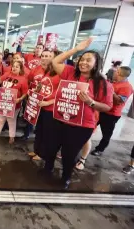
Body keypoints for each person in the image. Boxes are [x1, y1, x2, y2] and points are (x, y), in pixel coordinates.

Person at [45, 37, 113, 189]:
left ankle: (66, 177)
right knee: (50, 147)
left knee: (69, 154)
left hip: (82, 126)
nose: (83, 62)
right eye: (82, 59)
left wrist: (91, 102)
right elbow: (55, 62)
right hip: (60, 120)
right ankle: (47, 169)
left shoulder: (103, 84)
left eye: (88, 60)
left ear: (96, 64)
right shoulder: (70, 73)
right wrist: (76, 49)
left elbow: (108, 106)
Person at [90, 66, 133, 156]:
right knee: (89, 127)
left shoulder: (127, 87)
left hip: (111, 115)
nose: (114, 72)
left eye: (117, 71)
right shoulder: (113, 82)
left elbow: (119, 101)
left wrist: (110, 90)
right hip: (101, 109)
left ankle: (100, 149)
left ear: (120, 74)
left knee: (106, 134)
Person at [28, 50, 61, 161]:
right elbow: (41, 86)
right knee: (39, 130)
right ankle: (37, 150)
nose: (45, 58)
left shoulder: (61, 73)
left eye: (48, 56)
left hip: (50, 108)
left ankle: (43, 154)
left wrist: (48, 102)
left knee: (47, 133)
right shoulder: (47, 71)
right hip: (40, 105)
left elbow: (63, 93)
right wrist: (33, 93)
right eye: (43, 56)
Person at [0, 61, 28, 144]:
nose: (14, 68)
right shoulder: (7, 74)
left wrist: (20, 99)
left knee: (11, 120)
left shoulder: (23, 79)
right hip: (3, 102)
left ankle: (11, 136)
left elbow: (25, 93)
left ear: (21, 69)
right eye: (13, 66)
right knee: (1, 118)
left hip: (15, 104)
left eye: (17, 67)